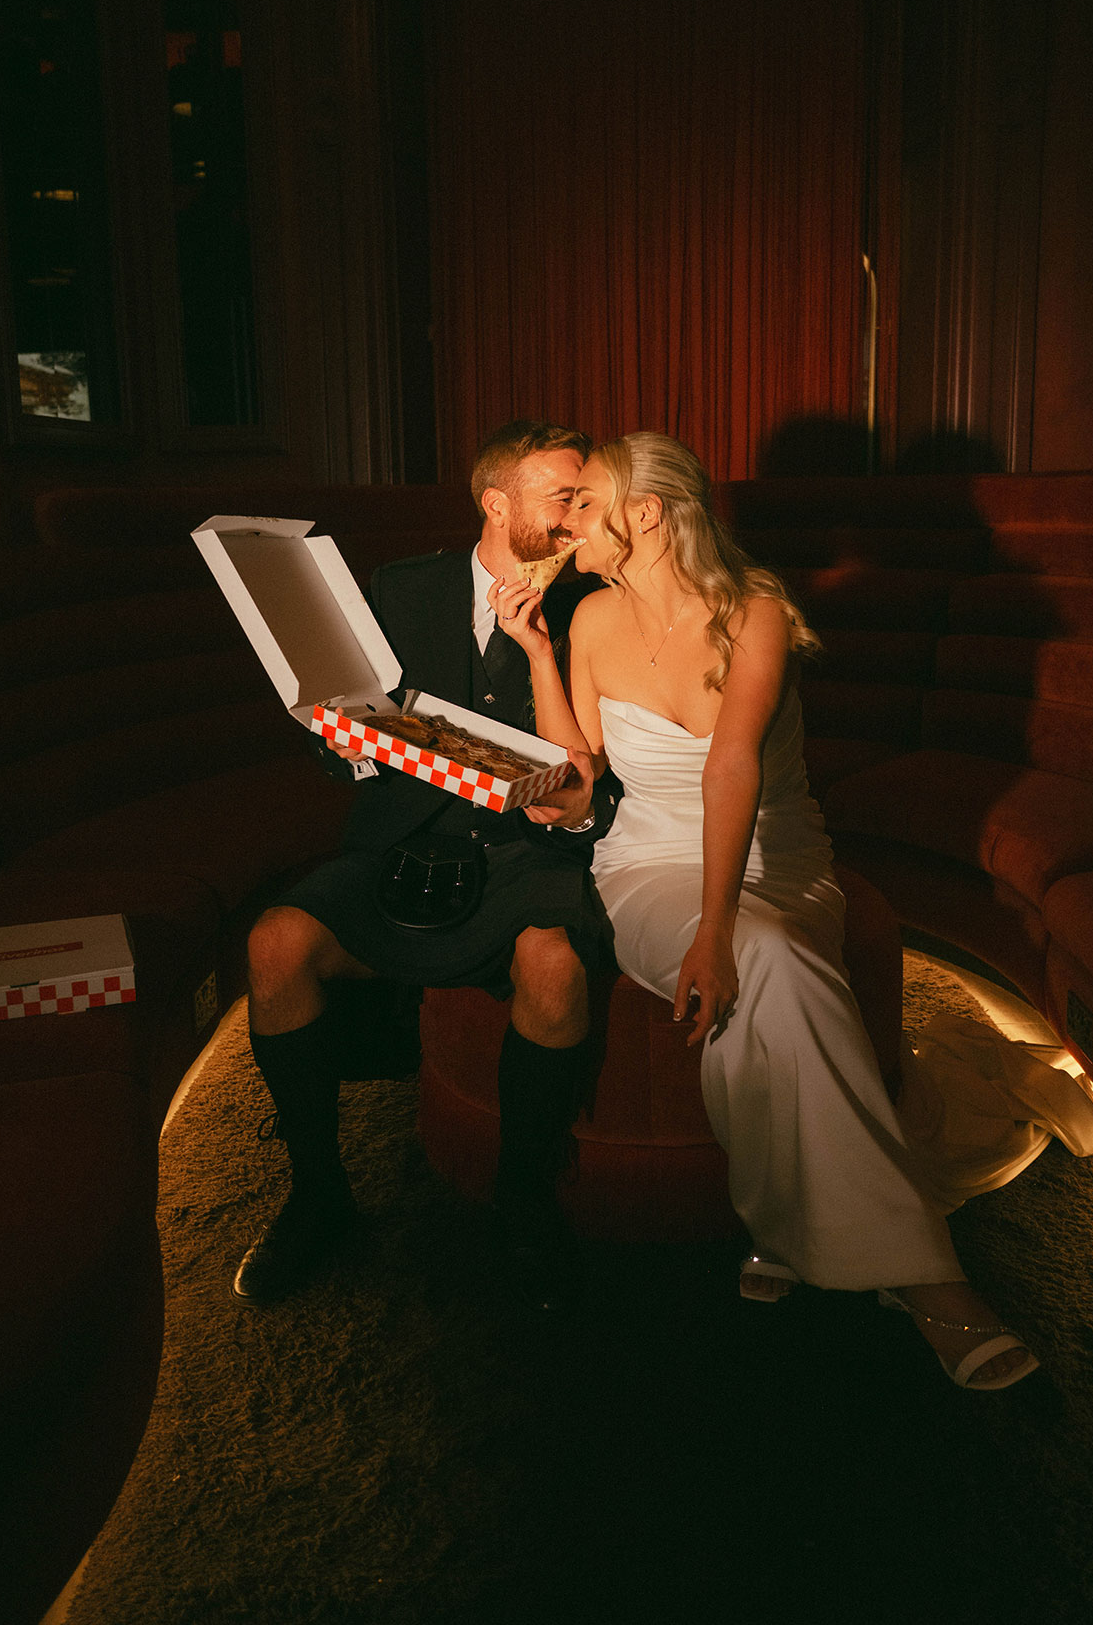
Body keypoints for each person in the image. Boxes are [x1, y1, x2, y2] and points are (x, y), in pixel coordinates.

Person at [496, 431, 1038, 1390]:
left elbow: (731, 768)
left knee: (765, 950)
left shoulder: (755, 614)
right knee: (774, 960)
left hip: (773, 854)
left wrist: (715, 931)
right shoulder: (584, 621)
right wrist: (536, 651)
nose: (567, 521)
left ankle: (786, 1227)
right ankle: (926, 1279)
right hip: (646, 865)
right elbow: (582, 780)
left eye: (589, 503)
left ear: (648, 513)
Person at [236, 422, 618, 1313]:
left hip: (530, 850)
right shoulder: (402, 589)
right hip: (403, 835)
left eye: (583, 498)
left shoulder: (592, 605)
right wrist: (342, 733)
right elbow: (344, 748)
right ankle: (320, 1198)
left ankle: (523, 1206)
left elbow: (601, 769)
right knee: (273, 944)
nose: (575, 516)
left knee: (555, 967)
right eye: (561, 496)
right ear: (497, 503)